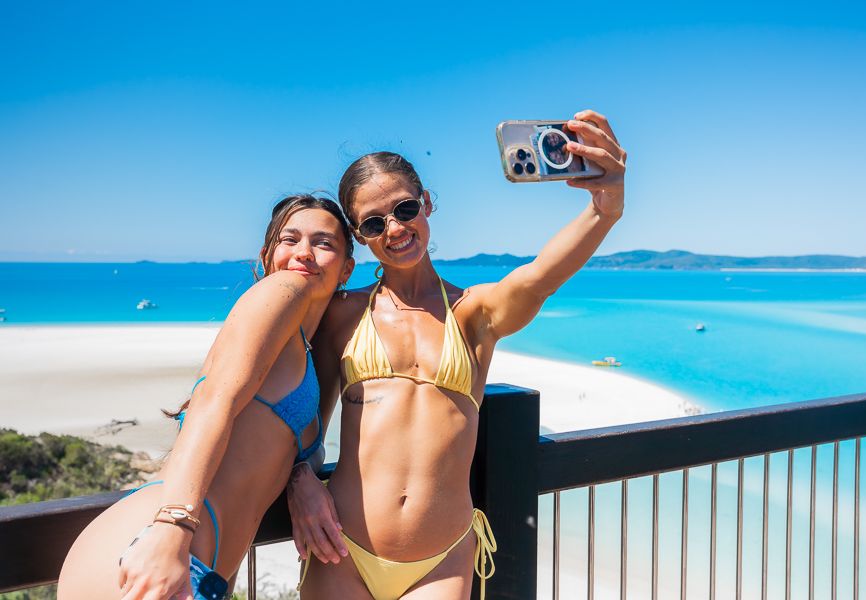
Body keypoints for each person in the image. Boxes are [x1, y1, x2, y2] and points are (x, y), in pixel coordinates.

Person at [288, 109, 626, 600]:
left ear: (427, 203)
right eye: (374, 222)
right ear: (359, 237)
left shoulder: (474, 313)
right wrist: (300, 479)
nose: (395, 229)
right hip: (342, 550)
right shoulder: (342, 315)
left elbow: (538, 277)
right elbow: (308, 426)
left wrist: (604, 209)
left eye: (405, 210)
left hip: (440, 561)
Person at [57, 195, 355, 600]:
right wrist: (171, 527)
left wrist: (302, 477)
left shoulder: (308, 349)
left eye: (323, 243)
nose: (303, 252)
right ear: (268, 257)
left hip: (198, 559)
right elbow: (215, 400)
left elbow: (275, 452)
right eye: (290, 239)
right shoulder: (281, 290)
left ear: (347, 268)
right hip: (160, 541)